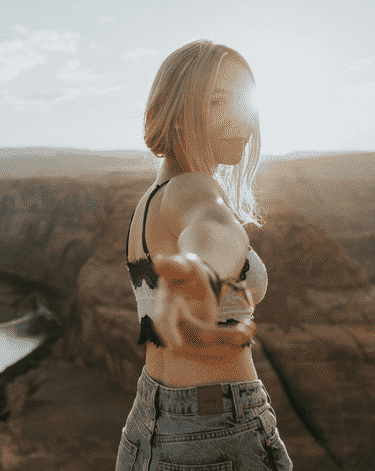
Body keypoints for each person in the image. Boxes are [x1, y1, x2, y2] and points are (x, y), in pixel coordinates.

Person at [116, 40, 293, 471]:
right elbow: (212, 228)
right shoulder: (194, 189)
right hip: (217, 432)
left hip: (149, 423)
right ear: (177, 113)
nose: (240, 120)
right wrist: (202, 271)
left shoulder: (150, 203)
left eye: (244, 103)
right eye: (216, 102)